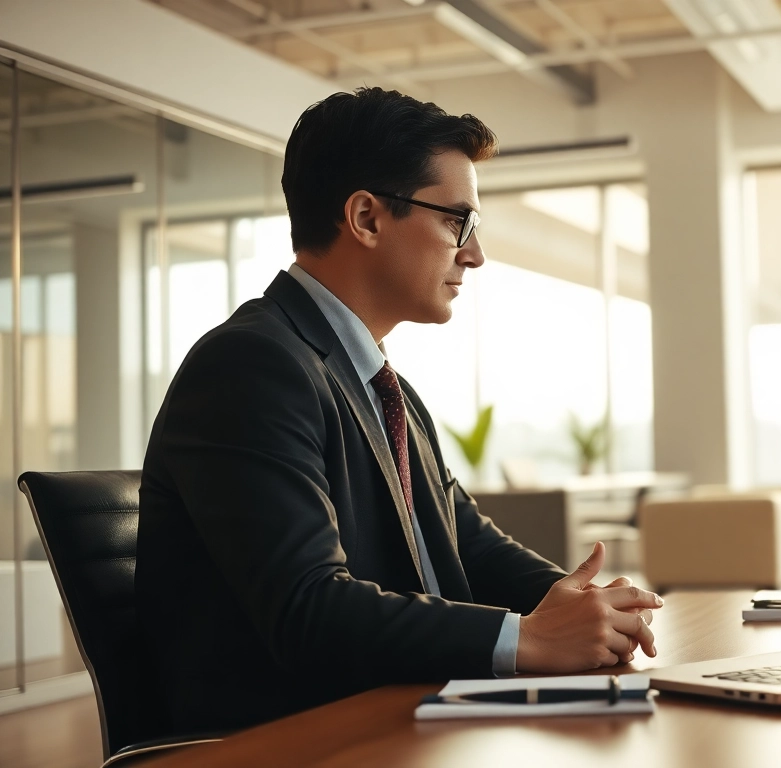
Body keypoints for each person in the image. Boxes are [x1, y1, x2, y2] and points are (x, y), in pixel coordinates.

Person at [136, 88, 661, 734]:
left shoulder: (384, 386)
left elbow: (465, 539)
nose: (475, 253)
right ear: (366, 218)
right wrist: (525, 638)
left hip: (398, 712)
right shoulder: (250, 366)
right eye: (457, 222)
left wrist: (583, 608)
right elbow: (309, 607)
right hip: (294, 739)